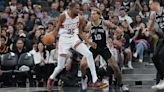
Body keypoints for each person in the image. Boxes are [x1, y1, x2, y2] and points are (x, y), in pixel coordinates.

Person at [46, 2, 98, 91]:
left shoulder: (80, 18)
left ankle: (95, 79)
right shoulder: (63, 16)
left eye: (79, 8)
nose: (78, 10)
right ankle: (51, 78)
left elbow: (81, 33)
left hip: (74, 38)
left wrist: (89, 42)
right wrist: (51, 36)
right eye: (76, 8)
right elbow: (57, 28)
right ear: (71, 8)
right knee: (60, 66)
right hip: (63, 40)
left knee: (89, 54)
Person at [80, 8, 129, 91]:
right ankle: (84, 78)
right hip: (94, 47)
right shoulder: (89, 24)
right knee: (82, 65)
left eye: (94, 14)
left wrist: (119, 33)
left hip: (103, 47)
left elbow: (116, 28)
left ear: (99, 15)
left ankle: (121, 85)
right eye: (91, 14)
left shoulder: (105, 23)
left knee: (115, 67)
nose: (92, 15)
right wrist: (86, 41)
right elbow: (89, 34)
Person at [149, 1, 164, 90]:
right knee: (155, 57)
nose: (149, 5)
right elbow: (150, 30)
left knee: (161, 55)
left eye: (151, 3)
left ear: (156, 3)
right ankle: (162, 80)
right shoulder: (153, 15)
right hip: (162, 37)